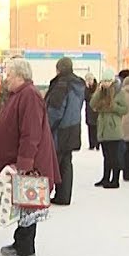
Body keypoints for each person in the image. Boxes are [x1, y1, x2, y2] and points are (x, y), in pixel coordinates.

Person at [0, 58, 61, 256]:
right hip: (21, 160)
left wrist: (25, 162)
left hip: (30, 163)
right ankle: (19, 241)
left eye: (9, 75)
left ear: (20, 75)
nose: (6, 78)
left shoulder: (28, 96)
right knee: (21, 203)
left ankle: (26, 249)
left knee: (29, 204)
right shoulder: (19, 94)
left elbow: (31, 133)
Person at [44, 57, 85, 206]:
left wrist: (47, 126)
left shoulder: (62, 84)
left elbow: (55, 110)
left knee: (53, 162)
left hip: (59, 130)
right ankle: (64, 195)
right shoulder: (78, 84)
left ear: (59, 69)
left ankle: (44, 194)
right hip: (73, 128)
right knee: (66, 163)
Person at [90, 68, 128, 189]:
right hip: (103, 127)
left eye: (107, 81)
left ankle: (115, 180)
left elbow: (124, 109)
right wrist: (98, 91)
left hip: (114, 128)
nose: (105, 83)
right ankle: (106, 178)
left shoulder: (119, 92)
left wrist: (113, 107)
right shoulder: (101, 92)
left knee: (114, 156)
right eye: (103, 81)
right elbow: (92, 104)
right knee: (106, 156)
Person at [84, 73, 99, 150]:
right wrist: (86, 88)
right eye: (87, 79)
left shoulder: (98, 87)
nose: (89, 81)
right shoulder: (85, 88)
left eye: (90, 79)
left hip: (97, 110)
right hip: (89, 110)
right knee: (90, 127)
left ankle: (97, 144)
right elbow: (86, 97)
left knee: (96, 127)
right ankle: (91, 144)